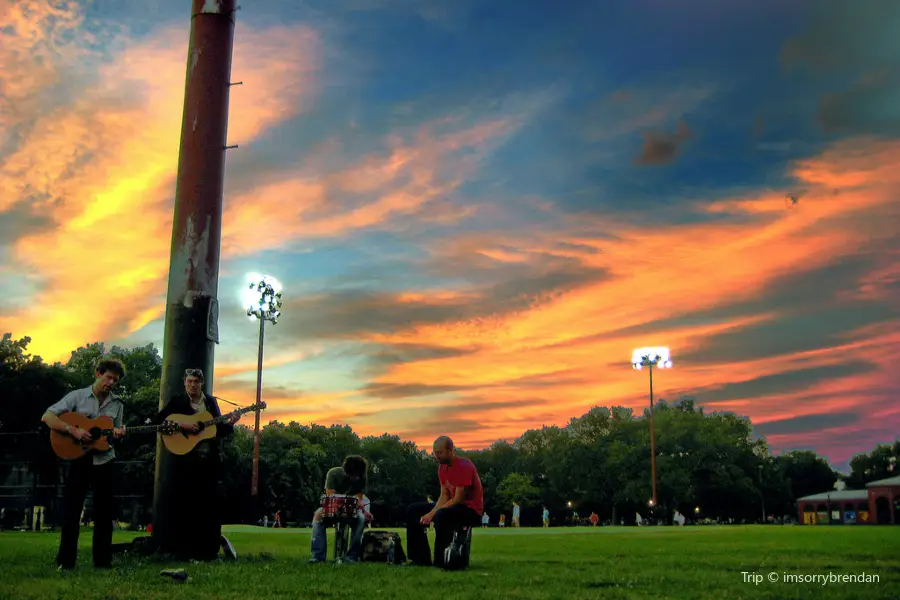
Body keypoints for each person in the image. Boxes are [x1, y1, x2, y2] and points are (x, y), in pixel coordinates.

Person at [41, 357, 127, 570]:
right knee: (72, 511)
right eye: (108, 377)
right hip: (79, 458)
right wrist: (74, 430)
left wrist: (119, 434)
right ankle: (66, 561)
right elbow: (47, 417)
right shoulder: (77, 396)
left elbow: (113, 434)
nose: (111, 383)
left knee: (104, 514)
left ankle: (103, 562)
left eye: (115, 380)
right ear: (98, 373)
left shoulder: (117, 404)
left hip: (105, 460)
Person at [150, 368, 238, 560]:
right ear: (184, 382)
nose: (192, 385)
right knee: (186, 506)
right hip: (186, 461)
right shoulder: (177, 402)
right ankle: (182, 551)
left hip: (209, 462)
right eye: (189, 381)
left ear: (202, 383)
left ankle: (207, 551)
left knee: (208, 507)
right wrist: (183, 425)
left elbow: (217, 430)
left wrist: (230, 424)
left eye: (196, 381)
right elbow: (158, 422)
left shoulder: (211, 402)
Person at [406, 436, 483, 568]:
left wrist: (433, 513)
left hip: (470, 509)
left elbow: (459, 498)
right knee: (413, 510)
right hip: (453, 506)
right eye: (435, 452)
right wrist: (431, 511)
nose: (437, 456)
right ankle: (420, 558)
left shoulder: (464, 465)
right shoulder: (442, 468)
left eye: (440, 452)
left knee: (441, 515)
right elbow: (444, 496)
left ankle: (440, 561)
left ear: (450, 450)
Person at [309, 455, 372, 563]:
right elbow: (331, 496)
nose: (355, 478)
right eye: (352, 474)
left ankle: (352, 556)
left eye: (357, 475)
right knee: (318, 516)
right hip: (332, 506)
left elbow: (359, 497)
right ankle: (317, 556)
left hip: (353, 509)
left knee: (361, 519)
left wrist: (365, 511)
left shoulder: (363, 477)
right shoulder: (333, 473)